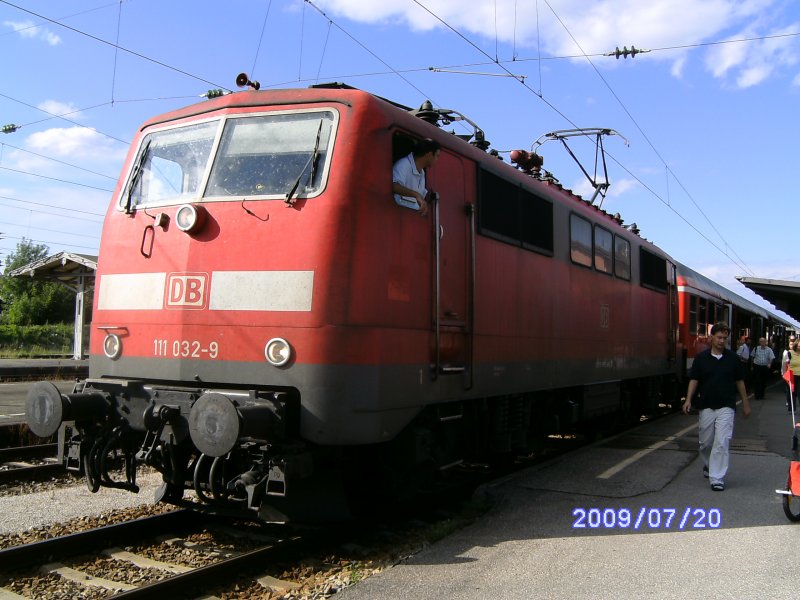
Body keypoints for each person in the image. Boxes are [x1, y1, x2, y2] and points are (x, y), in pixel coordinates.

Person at [682, 322, 750, 492]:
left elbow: (739, 382)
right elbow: (694, 380)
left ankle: (717, 477)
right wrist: (688, 399)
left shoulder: (733, 359)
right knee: (705, 443)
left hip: (727, 405)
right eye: (719, 337)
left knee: (722, 441)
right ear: (711, 338)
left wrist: (746, 403)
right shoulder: (701, 359)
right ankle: (708, 464)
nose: (721, 341)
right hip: (706, 405)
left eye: (724, 338)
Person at [392, 138, 441, 217]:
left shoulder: (422, 173)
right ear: (429, 155)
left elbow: (421, 196)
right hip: (397, 216)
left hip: (411, 219)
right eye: (437, 156)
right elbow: (394, 186)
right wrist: (416, 195)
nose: (437, 160)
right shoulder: (403, 165)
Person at [784, 339, 800, 412]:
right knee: (792, 392)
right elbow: (785, 364)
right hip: (792, 375)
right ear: (796, 345)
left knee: (799, 392)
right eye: (799, 346)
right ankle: (792, 409)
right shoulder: (790, 353)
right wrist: (784, 374)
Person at [782, 335, 797, 411]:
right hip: (789, 374)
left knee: (795, 391)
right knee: (790, 391)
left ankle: (793, 405)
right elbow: (784, 364)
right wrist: (784, 373)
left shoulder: (797, 353)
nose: (792, 344)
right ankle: (790, 406)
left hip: (797, 374)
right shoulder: (786, 353)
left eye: (793, 343)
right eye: (790, 343)